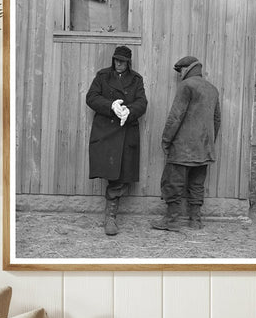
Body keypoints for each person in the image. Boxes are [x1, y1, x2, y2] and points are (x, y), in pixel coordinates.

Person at [151, 56, 221, 232]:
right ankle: (195, 220)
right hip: (204, 149)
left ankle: (172, 221)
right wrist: (209, 142)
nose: (179, 74)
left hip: (182, 148)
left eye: (180, 70)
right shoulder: (212, 89)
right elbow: (217, 120)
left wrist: (166, 140)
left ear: (186, 69)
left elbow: (176, 116)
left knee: (173, 183)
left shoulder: (186, 86)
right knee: (197, 184)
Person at [86, 46, 147, 236]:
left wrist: (129, 111)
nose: (119, 64)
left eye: (123, 61)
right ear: (113, 60)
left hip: (126, 131)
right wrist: (111, 106)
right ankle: (110, 217)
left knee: (120, 176)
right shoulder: (103, 76)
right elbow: (91, 97)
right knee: (112, 174)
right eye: (116, 60)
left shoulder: (136, 79)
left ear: (129, 63)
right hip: (106, 132)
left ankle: (111, 215)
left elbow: (142, 102)